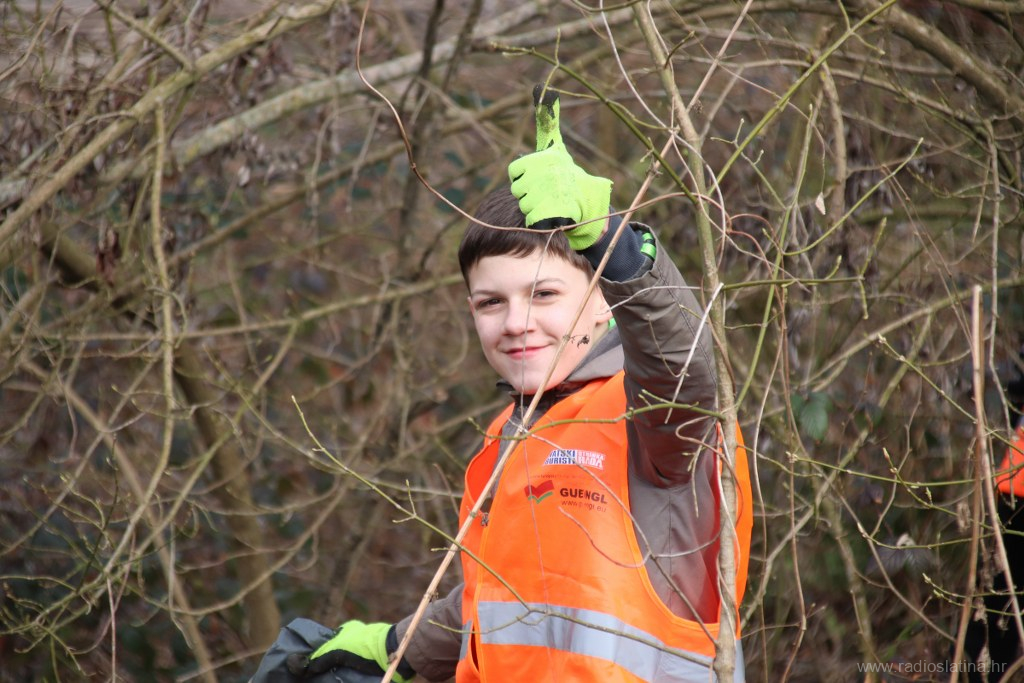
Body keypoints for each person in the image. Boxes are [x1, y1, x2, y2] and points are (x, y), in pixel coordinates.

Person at [276, 87, 753, 682]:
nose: (516, 322)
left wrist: (615, 245)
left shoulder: (650, 416)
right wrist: (396, 645)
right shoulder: (512, 432)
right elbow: (510, 601)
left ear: (605, 299)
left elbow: (683, 367)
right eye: (490, 302)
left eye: (544, 294)